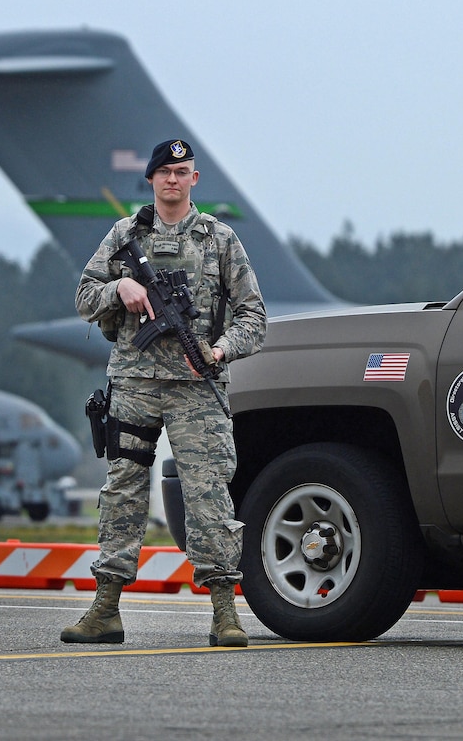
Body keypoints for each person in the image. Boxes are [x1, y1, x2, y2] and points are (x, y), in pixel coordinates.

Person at [62, 138, 267, 647]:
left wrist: (219, 351)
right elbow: (85, 297)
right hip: (134, 382)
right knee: (122, 492)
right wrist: (121, 290)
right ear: (151, 180)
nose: (172, 180)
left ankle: (225, 613)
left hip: (198, 389)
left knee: (208, 496)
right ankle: (105, 609)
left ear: (194, 179)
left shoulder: (219, 240)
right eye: (164, 172)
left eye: (182, 171)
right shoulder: (124, 235)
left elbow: (255, 317)